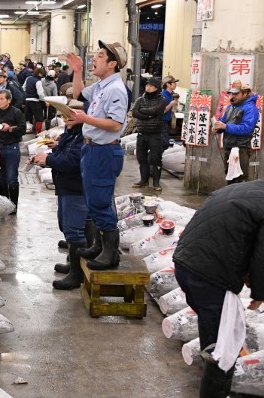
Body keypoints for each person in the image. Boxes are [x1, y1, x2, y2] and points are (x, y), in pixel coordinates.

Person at [173, 165, 264, 398]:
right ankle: (215, 392)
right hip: (211, 275)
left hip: (185, 264)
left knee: (213, 328)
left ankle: (210, 377)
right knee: (226, 344)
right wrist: (260, 293)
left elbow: (238, 237)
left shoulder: (242, 188)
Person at [68, 40, 129, 271]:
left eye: (101, 56)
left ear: (113, 63)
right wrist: (77, 71)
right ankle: (99, 245)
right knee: (93, 201)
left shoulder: (116, 90)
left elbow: (114, 124)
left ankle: (111, 254)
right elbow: (78, 94)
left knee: (101, 203)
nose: (95, 58)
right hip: (91, 149)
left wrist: (85, 119)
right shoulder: (102, 85)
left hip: (104, 152)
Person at [32, 100, 88, 290]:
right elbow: (65, 153)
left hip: (76, 188)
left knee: (74, 230)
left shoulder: (84, 136)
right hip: (65, 186)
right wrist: (54, 149)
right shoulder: (71, 133)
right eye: (64, 115)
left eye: (69, 115)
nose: (65, 118)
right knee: (66, 226)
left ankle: (77, 275)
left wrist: (48, 159)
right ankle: (74, 265)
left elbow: (73, 161)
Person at [0, 90, 25, 211]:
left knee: (12, 179)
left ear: (9, 100)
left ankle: (13, 207)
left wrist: (10, 129)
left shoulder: (16, 113)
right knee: (0, 178)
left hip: (11, 148)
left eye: (2, 99)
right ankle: (4, 205)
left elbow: (23, 129)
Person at [215, 81, 259, 184]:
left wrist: (225, 126)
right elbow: (223, 122)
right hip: (228, 147)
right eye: (231, 93)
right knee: (230, 178)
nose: (232, 96)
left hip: (241, 148)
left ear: (245, 93)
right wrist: (218, 128)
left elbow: (247, 128)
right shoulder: (230, 107)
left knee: (240, 179)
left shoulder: (251, 108)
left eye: (236, 94)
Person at [131, 77, 167, 191]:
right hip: (141, 133)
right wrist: (148, 115)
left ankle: (156, 183)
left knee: (156, 159)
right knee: (141, 158)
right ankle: (143, 180)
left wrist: (144, 111)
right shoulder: (140, 100)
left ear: (156, 88)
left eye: (151, 86)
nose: (148, 87)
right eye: (147, 85)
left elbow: (155, 111)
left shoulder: (161, 99)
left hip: (155, 134)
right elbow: (135, 112)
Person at [23, 67, 46, 133]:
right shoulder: (38, 81)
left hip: (27, 100)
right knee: (39, 118)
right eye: (42, 76)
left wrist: (27, 94)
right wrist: (44, 100)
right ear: (40, 74)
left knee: (28, 117)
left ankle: (28, 130)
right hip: (35, 101)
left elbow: (23, 88)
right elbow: (40, 93)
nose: (42, 77)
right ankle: (38, 133)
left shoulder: (28, 78)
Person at [161, 76, 179, 150]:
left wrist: (172, 110)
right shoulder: (162, 96)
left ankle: (156, 159)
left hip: (166, 122)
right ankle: (153, 159)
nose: (175, 84)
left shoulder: (170, 95)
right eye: (174, 83)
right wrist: (171, 104)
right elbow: (161, 111)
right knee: (164, 143)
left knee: (164, 142)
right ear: (168, 84)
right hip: (161, 122)